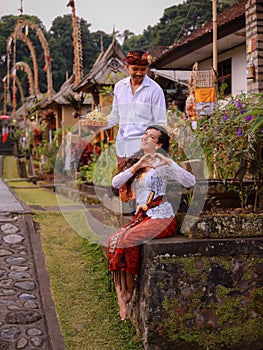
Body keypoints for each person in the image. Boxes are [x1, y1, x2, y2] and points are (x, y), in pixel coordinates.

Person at [106, 125, 196, 321]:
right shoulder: (139, 163)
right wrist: (137, 166)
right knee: (114, 240)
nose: (145, 138)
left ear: (159, 144)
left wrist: (168, 162)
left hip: (161, 218)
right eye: (145, 135)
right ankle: (121, 291)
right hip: (143, 217)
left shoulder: (163, 165)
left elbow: (190, 181)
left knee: (127, 239)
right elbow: (116, 183)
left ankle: (128, 291)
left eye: (151, 137)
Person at [106, 50, 167, 202]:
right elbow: (115, 116)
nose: (139, 73)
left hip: (143, 147)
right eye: (135, 69)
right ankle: (129, 223)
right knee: (125, 188)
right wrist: (98, 124)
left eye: (143, 70)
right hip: (123, 146)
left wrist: (153, 149)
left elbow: (160, 123)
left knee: (143, 188)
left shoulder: (155, 90)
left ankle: (142, 221)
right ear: (127, 67)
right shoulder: (120, 87)